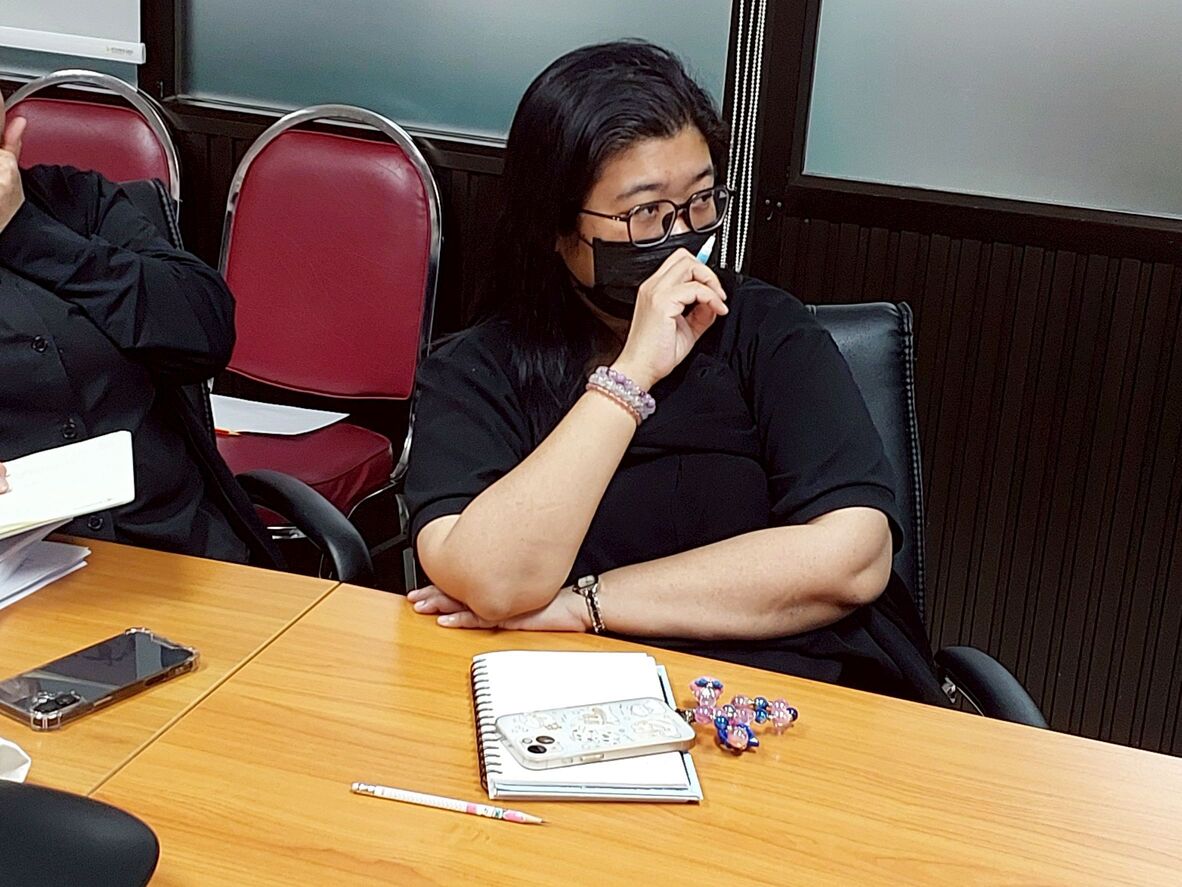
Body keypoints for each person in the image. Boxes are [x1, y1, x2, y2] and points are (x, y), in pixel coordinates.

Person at [404, 41, 946, 704]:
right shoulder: (475, 370)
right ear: (555, 227)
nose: (683, 233)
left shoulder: (764, 328)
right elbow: (492, 581)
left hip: (796, 692)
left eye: (700, 200)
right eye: (645, 213)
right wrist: (631, 375)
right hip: (574, 699)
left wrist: (585, 603)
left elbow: (854, 558)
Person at [0, 96, 276, 565]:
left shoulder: (79, 202)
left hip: (180, 550)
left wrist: (25, 232)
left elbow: (206, 332)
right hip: (24, 570)